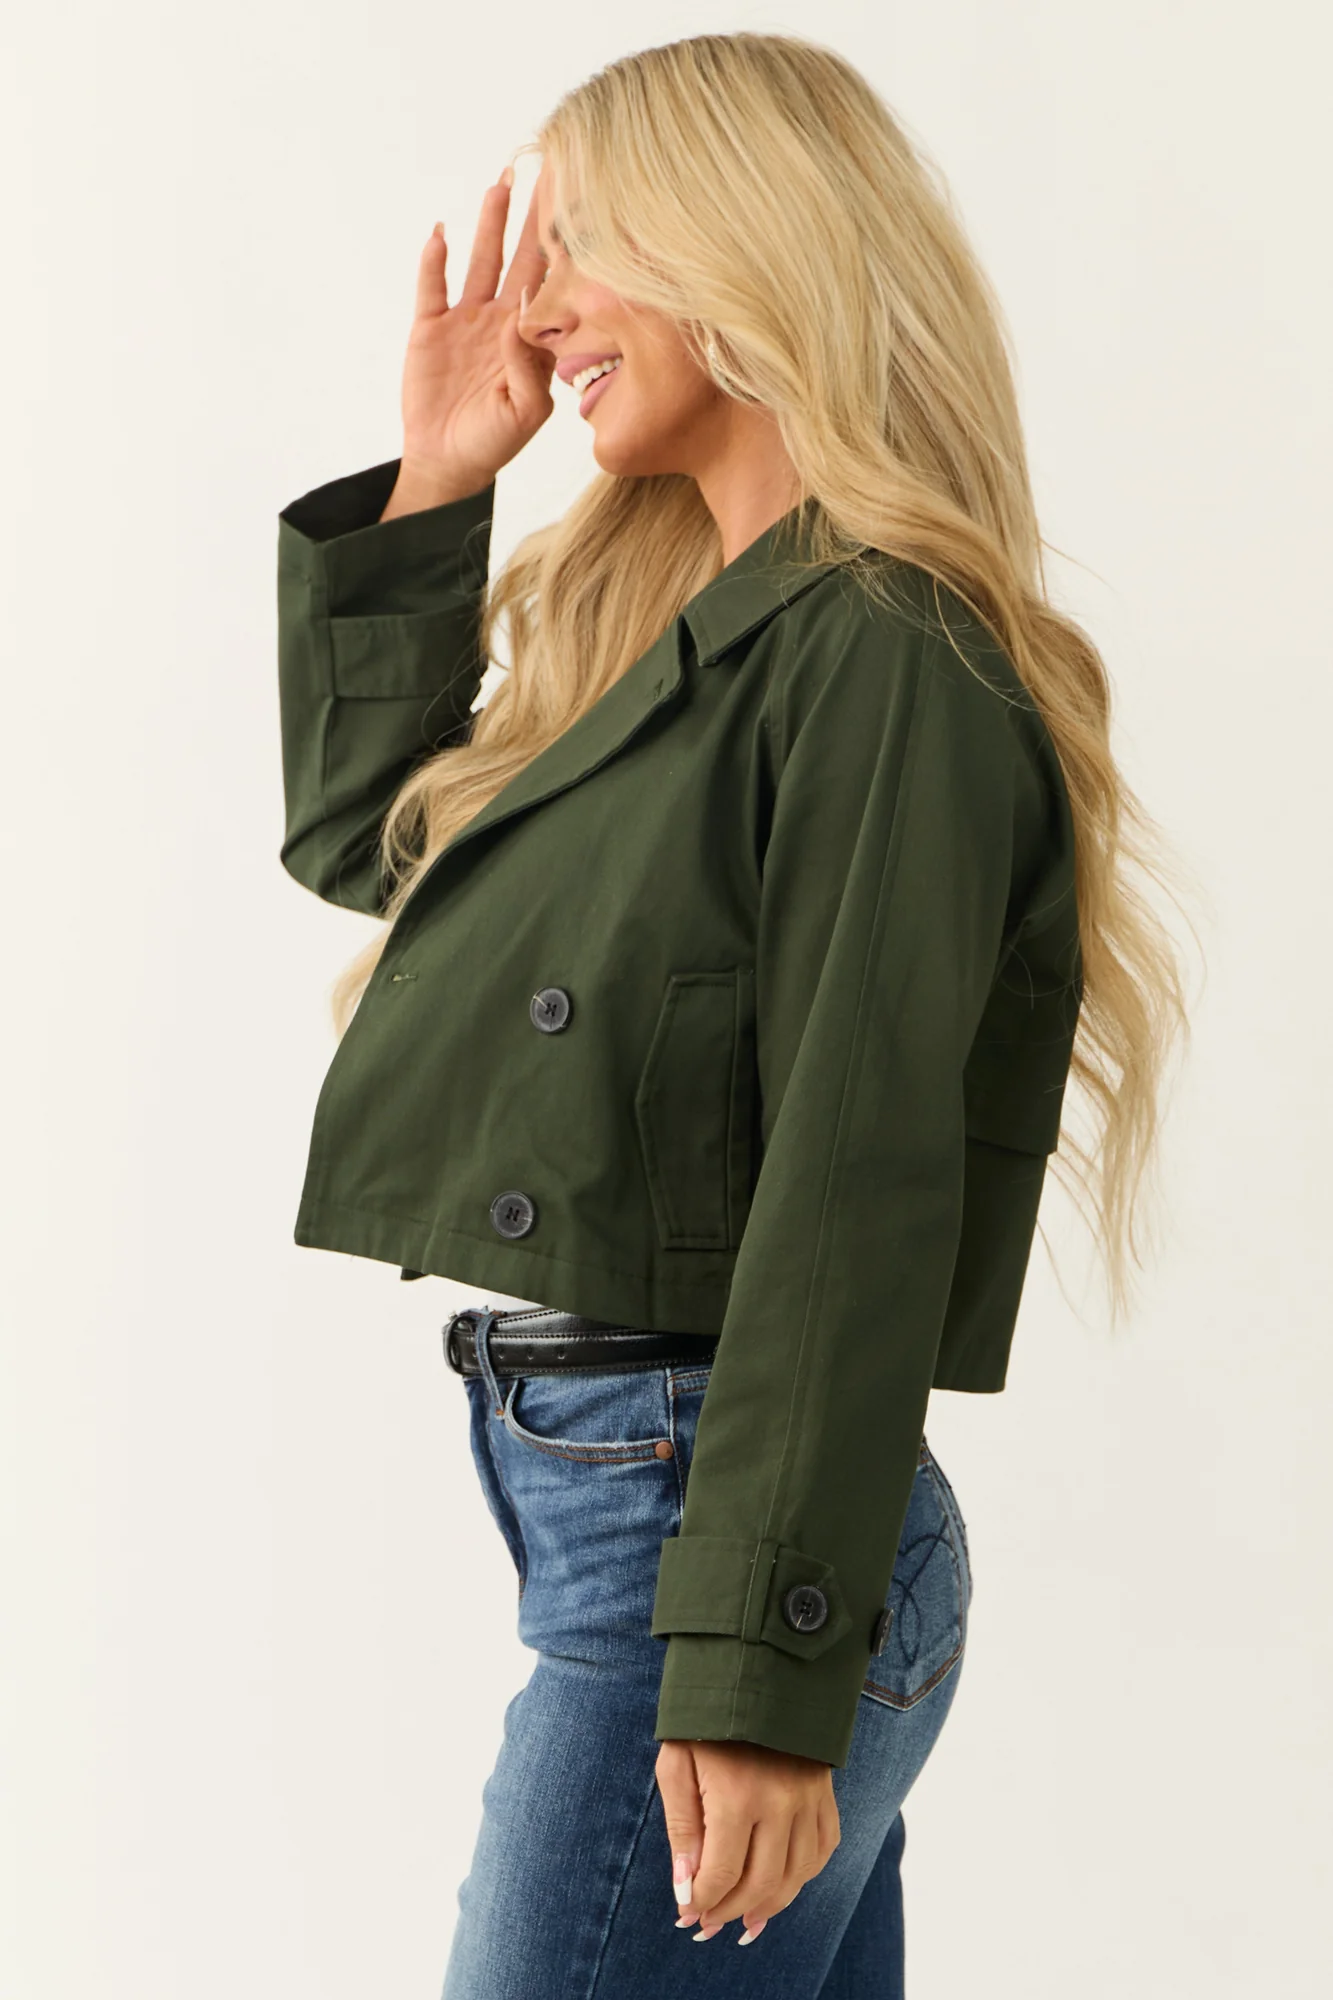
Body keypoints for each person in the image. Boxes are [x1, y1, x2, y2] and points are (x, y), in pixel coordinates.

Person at [274, 31, 1188, 1998]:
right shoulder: (689, 647)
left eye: (588, 243)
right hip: (656, 1517)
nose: (542, 306)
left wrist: (763, 1664)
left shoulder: (886, 651)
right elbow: (381, 855)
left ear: (746, 243)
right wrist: (438, 488)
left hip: (720, 1535)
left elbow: (857, 1183)